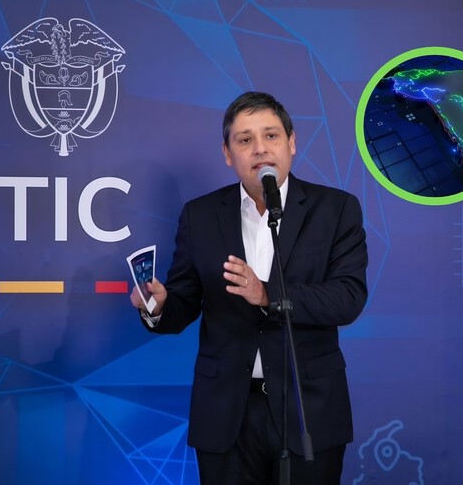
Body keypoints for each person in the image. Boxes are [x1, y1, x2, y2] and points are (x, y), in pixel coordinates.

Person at [130, 91, 368, 484]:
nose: (260, 149)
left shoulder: (336, 209)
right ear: (228, 153)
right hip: (226, 414)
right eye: (245, 140)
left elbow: (348, 298)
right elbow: (184, 302)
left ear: (292, 143)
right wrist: (158, 306)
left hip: (308, 408)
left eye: (271, 135)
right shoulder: (201, 215)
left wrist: (269, 295)